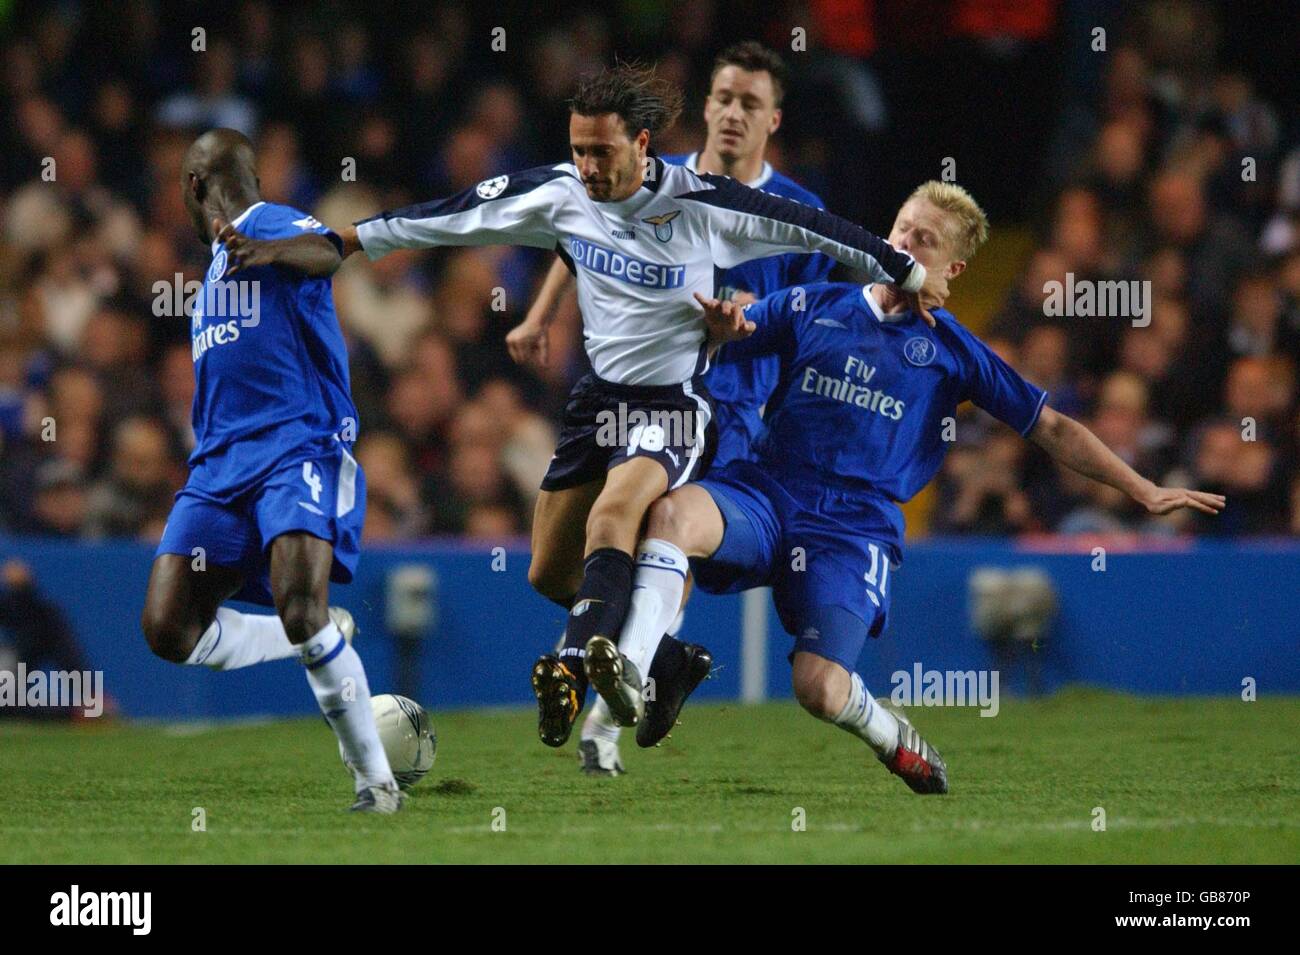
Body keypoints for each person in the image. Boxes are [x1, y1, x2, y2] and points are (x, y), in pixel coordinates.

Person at [337, 63, 946, 753]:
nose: (589, 165)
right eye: (579, 150)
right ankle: (666, 664)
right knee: (549, 572)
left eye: (602, 151)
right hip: (598, 399)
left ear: (643, 144)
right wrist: (345, 243)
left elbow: (821, 232)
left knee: (623, 518)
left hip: (684, 402)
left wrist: (905, 272)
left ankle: (573, 672)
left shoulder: (706, 202)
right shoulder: (568, 192)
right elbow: (463, 218)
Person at [610, 181, 1225, 793]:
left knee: (818, 689)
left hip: (851, 529)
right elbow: (725, 334)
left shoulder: (954, 352)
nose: (904, 242)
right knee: (671, 516)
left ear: (952, 267)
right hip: (768, 493)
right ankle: (632, 674)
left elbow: (1053, 428)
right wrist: (719, 326)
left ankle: (889, 735)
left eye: (923, 239)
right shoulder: (813, 304)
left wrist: (1141, 489)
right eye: (901, 228)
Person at [517, 42, 832, 775]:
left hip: (730, 407)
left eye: (749, 103)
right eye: (722, 96)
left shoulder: (797, 215)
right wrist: (538, 316)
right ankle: (665, 665)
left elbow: (813, 320)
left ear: (773, 119)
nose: (731, 113)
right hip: (631, 392)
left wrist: (754, 318)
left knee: (660, 538)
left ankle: (599, 723)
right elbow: (580, 241)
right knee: (557, 567)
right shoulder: (664, 181)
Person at [139, 129, 402, 813]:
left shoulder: (271, 223)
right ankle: (307, 639)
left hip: (296, 448)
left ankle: (376, 784)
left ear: (195, 187)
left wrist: (270, 250)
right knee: (168, 627)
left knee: (299, 601)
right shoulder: (212, 282)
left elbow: (328, 251)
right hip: (219, 469)